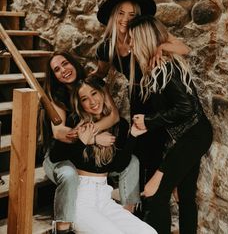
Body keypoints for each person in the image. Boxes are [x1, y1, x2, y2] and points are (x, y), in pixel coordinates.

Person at [94, 0, 190, 213]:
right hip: (137, 98)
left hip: (157, 98)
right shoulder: (106, 47)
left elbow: (183, 48)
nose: (125, 19)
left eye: (131, 14)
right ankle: (134, 205)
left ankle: (154, 204)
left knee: (156, 148)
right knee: (137, 150)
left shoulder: (145, 34)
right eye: (120, 13)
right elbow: (100, 73)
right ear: (112, 15)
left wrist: (161, 46)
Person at [128, 15, 213, 234]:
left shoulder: (164, 67)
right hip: (192, 134)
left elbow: (186, 107)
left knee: (155, 192)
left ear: (143, 40)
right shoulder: (157, 65)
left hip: (193, 135)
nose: (130, 45)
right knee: (184, 196)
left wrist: (149, 122)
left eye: (133, 40)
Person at [42, 52, 140, 233]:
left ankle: (128, 213)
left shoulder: (92, 84)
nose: (63, 70)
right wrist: (91, 137)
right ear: (54, 76)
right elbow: (59, 132)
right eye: (57, 69)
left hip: (86, 149)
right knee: (69, 175)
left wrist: (92, 131)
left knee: (132, 162)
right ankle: (63, 226)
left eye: (65, 63)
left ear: (73, 63)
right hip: (59, 155)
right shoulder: (56, 96)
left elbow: (114, 116)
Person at [49, 76, 157, 234]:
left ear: (102, 93)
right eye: (85, 99)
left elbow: (118, 166)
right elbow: (55, 156)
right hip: (81, 200)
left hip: (104, 198)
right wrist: (85, 141)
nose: (92, 102)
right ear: (80, 104)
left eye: (94, 93)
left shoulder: (120, 125)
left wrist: (132, 136)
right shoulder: (76, 122)